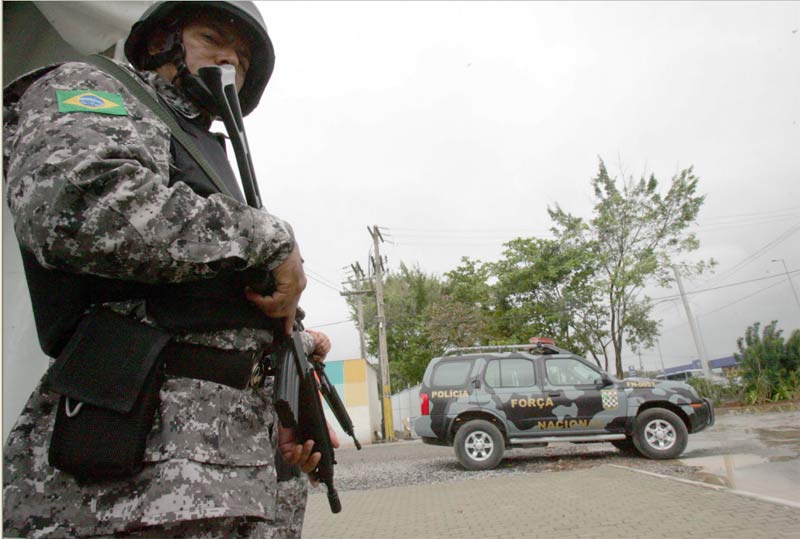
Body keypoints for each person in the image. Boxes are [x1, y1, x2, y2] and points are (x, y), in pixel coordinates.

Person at [2, 2, 333, 537]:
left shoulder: (203, 149)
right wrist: (269, 238)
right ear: (162, 40)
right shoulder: (98, 87)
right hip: (134, 477)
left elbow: (206, 287)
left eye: (243, 56)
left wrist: (287, 359)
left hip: (235, 471)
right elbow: (74, 202)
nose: (230, 58)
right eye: (212, 38)